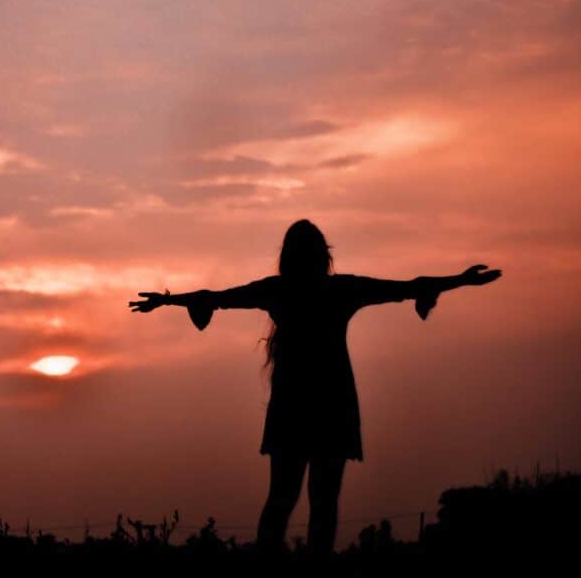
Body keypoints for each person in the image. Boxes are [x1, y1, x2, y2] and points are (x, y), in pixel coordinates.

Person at [127, 219, 502, 557]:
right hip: (333, 404)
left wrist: (167, 301)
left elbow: (218, 297)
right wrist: (460, 280)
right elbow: (407, 288)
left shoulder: (281, 291)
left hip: (293, 404)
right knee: (322, 501)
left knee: (282, 498)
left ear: (286, 257)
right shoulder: (340, 289)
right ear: (324, 256)